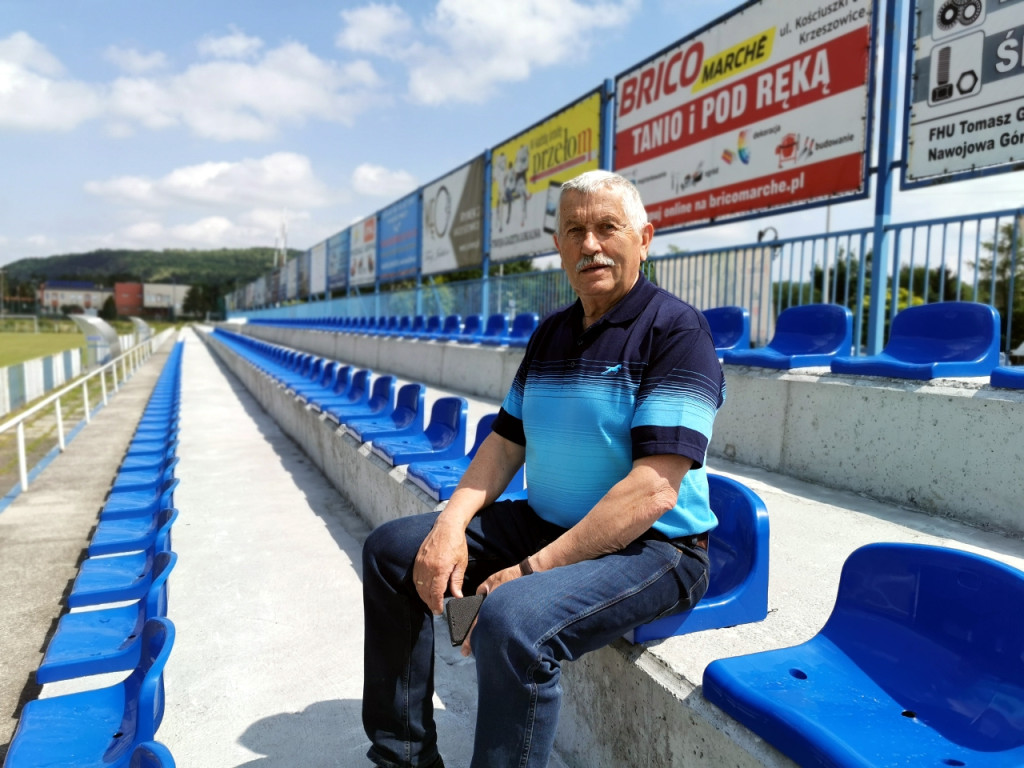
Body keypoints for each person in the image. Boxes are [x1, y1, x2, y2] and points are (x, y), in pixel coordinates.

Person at [362, 170, 726, 768]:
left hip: (656, 550)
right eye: (574, 230)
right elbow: (505, 443)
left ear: (645, 237)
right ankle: (403, 757)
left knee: (512, 618)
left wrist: (531, 570)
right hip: (547, 522)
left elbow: (654, 491)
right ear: (558, 247)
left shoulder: (677, 332)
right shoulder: (551, 333)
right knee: (394, 551)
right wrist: (450, 526)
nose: (591, 245)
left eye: (608, 228)